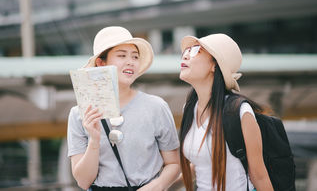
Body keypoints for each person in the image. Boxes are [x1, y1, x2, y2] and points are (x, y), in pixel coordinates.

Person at [67, 26, 180, 191]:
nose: (130, 61)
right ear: (101, 62)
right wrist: (94, 140)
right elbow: (83, 182)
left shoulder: (156, 107)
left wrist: (156, 186)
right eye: (121, 55)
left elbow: (174, 163)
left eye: (135, 57)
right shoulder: (79, 114)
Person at [178, 33, 274, 191]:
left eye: (196, 51)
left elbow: (259, 176)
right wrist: (162, 185)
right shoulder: (189, 109)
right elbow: (202, 164)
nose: (186, 56)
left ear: (214, 66)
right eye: (186, 51)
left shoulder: (239, 111)